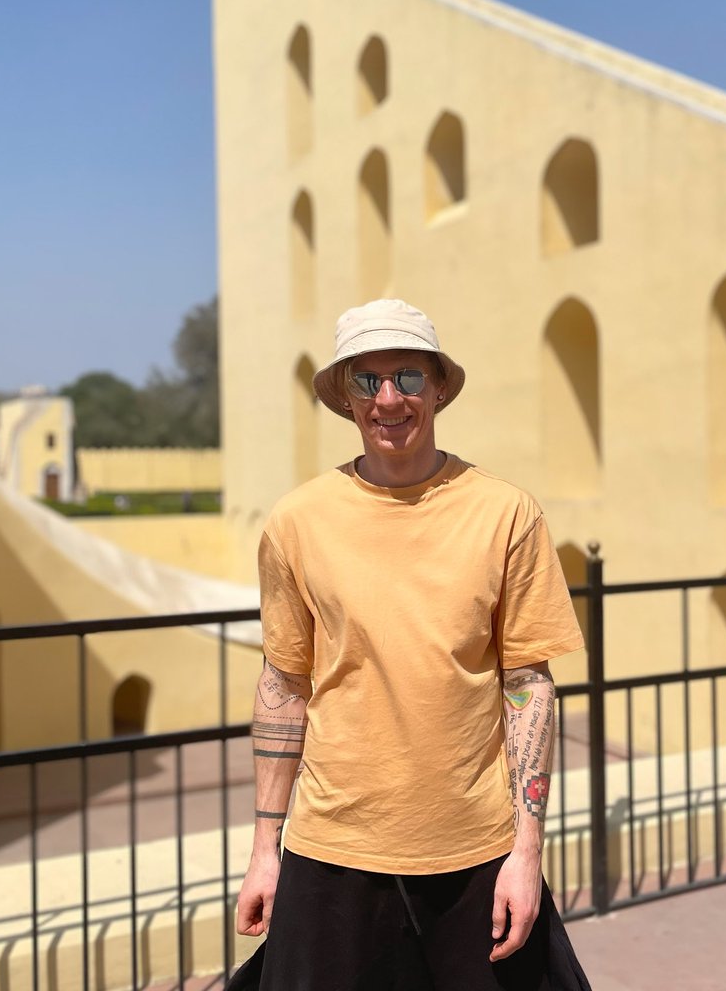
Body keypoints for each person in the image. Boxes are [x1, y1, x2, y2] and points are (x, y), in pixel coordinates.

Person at [235, 299, 591, 990]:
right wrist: (263, 852)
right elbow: (285, 685)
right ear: (345, 395)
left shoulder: (504, 512)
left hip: (473, 850)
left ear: (438, 388)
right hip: (332, 848)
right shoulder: (298, 520)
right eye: (367, 380)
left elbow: (528, 685)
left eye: (407, 376)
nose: (389, 399)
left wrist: (526, 853)